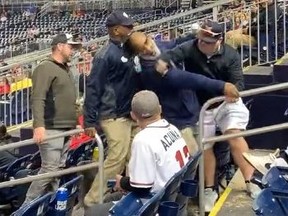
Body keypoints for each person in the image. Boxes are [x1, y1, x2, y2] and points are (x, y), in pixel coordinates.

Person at [157, 20, 257, 212]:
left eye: (208, 41)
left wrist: (226, 93)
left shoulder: (230, 55)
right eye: (201, 40)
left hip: (227, 103)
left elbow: (238, 87)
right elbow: (168, 55)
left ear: (218, 40)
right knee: (206, 145)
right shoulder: (191, 47)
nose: (202, 44)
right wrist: (161, 63)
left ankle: (251, 181)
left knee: (233, 134)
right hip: (203, 107)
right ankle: (210, 188)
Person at [124, 31, 239, 155]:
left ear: (149, 37)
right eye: (141, 49)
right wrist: (222, 86)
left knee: (203, 151)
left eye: (147, 42)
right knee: (190, 161)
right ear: (137, 53)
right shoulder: (149, 70)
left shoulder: (160, 45)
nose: (148, 48)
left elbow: (177, 43)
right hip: (178, 120)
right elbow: (185, 78)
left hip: (193, 110)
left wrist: (197, 34)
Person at [85, 90, 189, 216]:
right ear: (160, 109)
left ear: (133, 115)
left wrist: (121, 181)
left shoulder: (143, 139)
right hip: (174, 198)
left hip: (155, 204)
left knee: (93, 212)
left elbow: (141, 187)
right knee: (110, 199)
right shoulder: (173, 129)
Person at [83, 11, 139, 206]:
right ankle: (92, 202)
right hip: (112, 114)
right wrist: (89, 120)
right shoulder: (105, 55)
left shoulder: (127, 50)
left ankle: (132, 192)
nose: (132, 29)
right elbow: (93, 87)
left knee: (135, 154)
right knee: (117, 157)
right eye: (128, 26)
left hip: (129, 114)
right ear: (116, 30)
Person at [22, 33, 82, 204]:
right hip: (51, 126)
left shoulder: (65, 68)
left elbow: (69, 99)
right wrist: (38, 125)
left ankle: (52, 206)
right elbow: (38, 97)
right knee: (49, 169)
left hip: (65, 126)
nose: (73, 51)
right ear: (60, 46)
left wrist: (74, 123)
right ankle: (26, 208)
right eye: (70, 47)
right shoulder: (45, 67)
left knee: (57, 170)